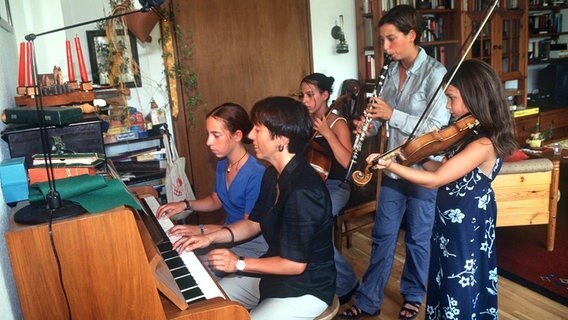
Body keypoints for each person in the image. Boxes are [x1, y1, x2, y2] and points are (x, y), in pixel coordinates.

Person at [370, 59, 517, 319]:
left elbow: (436, 179)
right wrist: (415, 154)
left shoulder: (482, 143)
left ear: (475, 97)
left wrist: (390, 163)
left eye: (451, 98)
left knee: (460, 278)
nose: (448, 107)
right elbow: (440, 169)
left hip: (466, 223)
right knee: (444, 274)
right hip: (450, 221)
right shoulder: (468, 136)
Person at [172, 96, 336, 319]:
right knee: (209, 307)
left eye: (258, 129)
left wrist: (238, 263)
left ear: (282, 139)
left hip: (305, 288)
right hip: (274, 279)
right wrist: (210, 238)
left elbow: (295, 265)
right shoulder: (272, 174)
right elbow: (253, 223)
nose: (250, 135)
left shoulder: (304, 191)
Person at [340, 5, 450, 319]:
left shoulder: (435, 74)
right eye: (383, 41)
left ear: (411, 35)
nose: (386, 48)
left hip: (421, 169)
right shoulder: (390, 72)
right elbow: (381, 119)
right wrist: (369, 125)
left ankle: (413, 295)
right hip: (391, 167)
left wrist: (391, 114)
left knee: (417, 238)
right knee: (383, 235)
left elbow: (434, 129)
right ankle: (368, 300)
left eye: (391, 39)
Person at [156, 103, 267, 262]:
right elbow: (216, 201)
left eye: (216, 135)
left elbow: (248, 226)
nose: (208, 142)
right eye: (208, 134)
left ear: (237, 136)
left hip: (251, 243)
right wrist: (185, 204)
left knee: (197, 266)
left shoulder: (255, 174)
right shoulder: (223, 163)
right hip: (226, 236)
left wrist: (201, 230)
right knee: (182, 256)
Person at [298, 73, 359, 304]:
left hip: (337, 186)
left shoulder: (337, 122)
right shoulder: (305, 120)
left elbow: (348, 163)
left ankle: (347, 281)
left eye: (310, 95)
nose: (305, 100)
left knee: (313, 222)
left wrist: (327, 133)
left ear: (325, 95)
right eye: (302, 95)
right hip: (312, 185)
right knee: (295, 218)